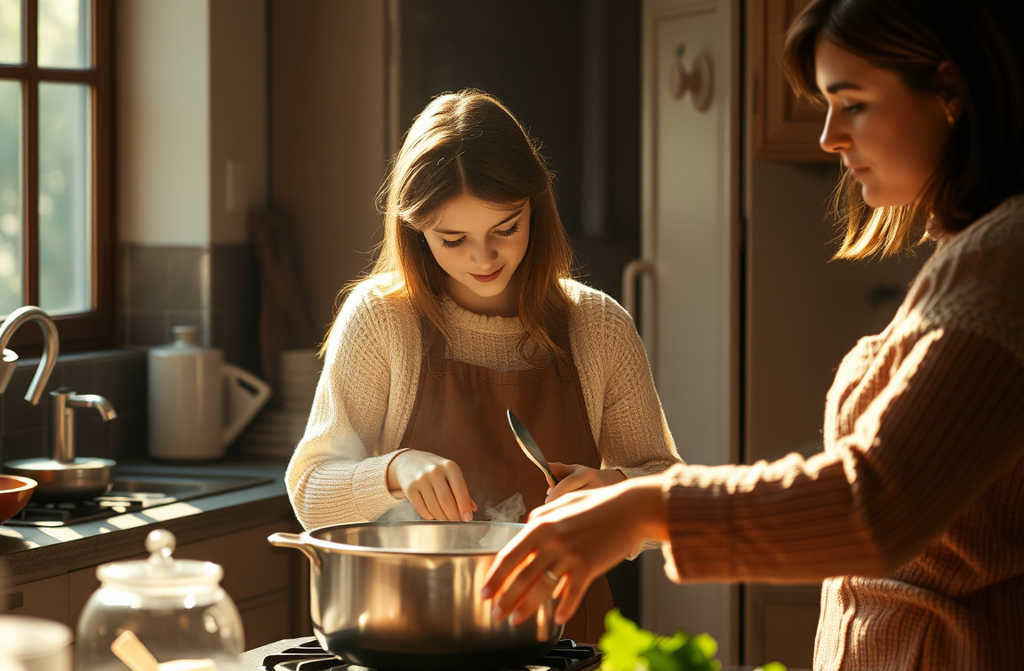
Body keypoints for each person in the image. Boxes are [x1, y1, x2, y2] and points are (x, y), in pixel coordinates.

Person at [482, 1, 1024, 668]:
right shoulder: (974, 253)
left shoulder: (1005, 258)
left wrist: (645, 509)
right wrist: (631, 495)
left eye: (851, 104)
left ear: (949, 91)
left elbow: (875, 503)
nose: (828, 136)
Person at [285, 89, 681, 643]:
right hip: (415, 636)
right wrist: (394, 471)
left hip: (566, 637)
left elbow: (668, 484)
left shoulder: (598, 324)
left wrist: (612, 488)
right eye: (453, 239)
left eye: (506, 228)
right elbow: (309, 492)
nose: (484, 258)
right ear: (416, 230)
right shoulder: (381, 319)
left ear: (535, 210)